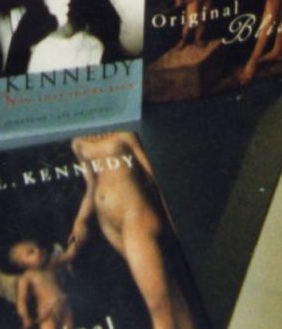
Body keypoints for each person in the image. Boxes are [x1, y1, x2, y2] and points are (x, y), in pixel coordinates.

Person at [68, 130, 199, 329]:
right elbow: (91, 187)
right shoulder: (78, 142)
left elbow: (154, 176)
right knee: (169, 289)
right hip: (107, 222)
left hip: (134, 215)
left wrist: (170, 213)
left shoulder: (124, 134)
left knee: (157, 305)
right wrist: (80, 220)